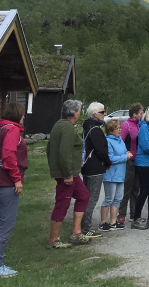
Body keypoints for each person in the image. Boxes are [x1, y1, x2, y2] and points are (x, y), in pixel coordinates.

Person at [0, 102, 28, 277]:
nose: (24, 117)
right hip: (5, 183)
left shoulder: (1, 128)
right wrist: (17, 179)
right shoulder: (12, 130)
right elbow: (9, 155)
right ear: (18, 115)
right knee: (4, 225)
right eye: (22, 114)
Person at [46, 99, 92, 248]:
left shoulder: (59, 125)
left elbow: (49, 149)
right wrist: (66, 174)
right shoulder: (66, 127)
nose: (79, 113)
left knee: (83, 196)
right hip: (67, 174)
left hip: (70, 173)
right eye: (79, 110)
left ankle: (76, 232)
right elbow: (64, 152)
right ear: (73, 112)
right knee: (62, 203)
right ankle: (54, 239)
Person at [80, 102, 111, 238]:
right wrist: (107, 162)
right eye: (102, 112)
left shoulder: (87, 126)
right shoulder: (95, 129)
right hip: (95, 167)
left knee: (87, 197)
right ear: (95, 114)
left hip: (87, 166)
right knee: (91, 198)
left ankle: (81, 225)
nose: (105, 114)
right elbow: (101, 150)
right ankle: (86, 227)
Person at [116, 103, 143, 227]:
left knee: (136, 189)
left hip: (139, 162)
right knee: (126, 189)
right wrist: (125, 154)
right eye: (140, 113)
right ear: (134, 114)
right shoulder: (126, 125)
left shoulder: (140, 125)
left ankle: (134, 214)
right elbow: (120, 142)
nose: (142, 115)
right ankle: (121, 214)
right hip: (129, 162)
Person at [100, 119, 128, 230]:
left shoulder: (120, 140)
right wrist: (125, 157)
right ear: (111, 130)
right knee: (109, 198)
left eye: (120, 128)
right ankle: (103, 222)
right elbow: (110, 158)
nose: (120, 130)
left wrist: (126, 154)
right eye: (117, 128)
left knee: (118, 198)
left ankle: (113, 222)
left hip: (120, 174)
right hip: (111, 175)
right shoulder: (107, 141)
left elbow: (124, 152)